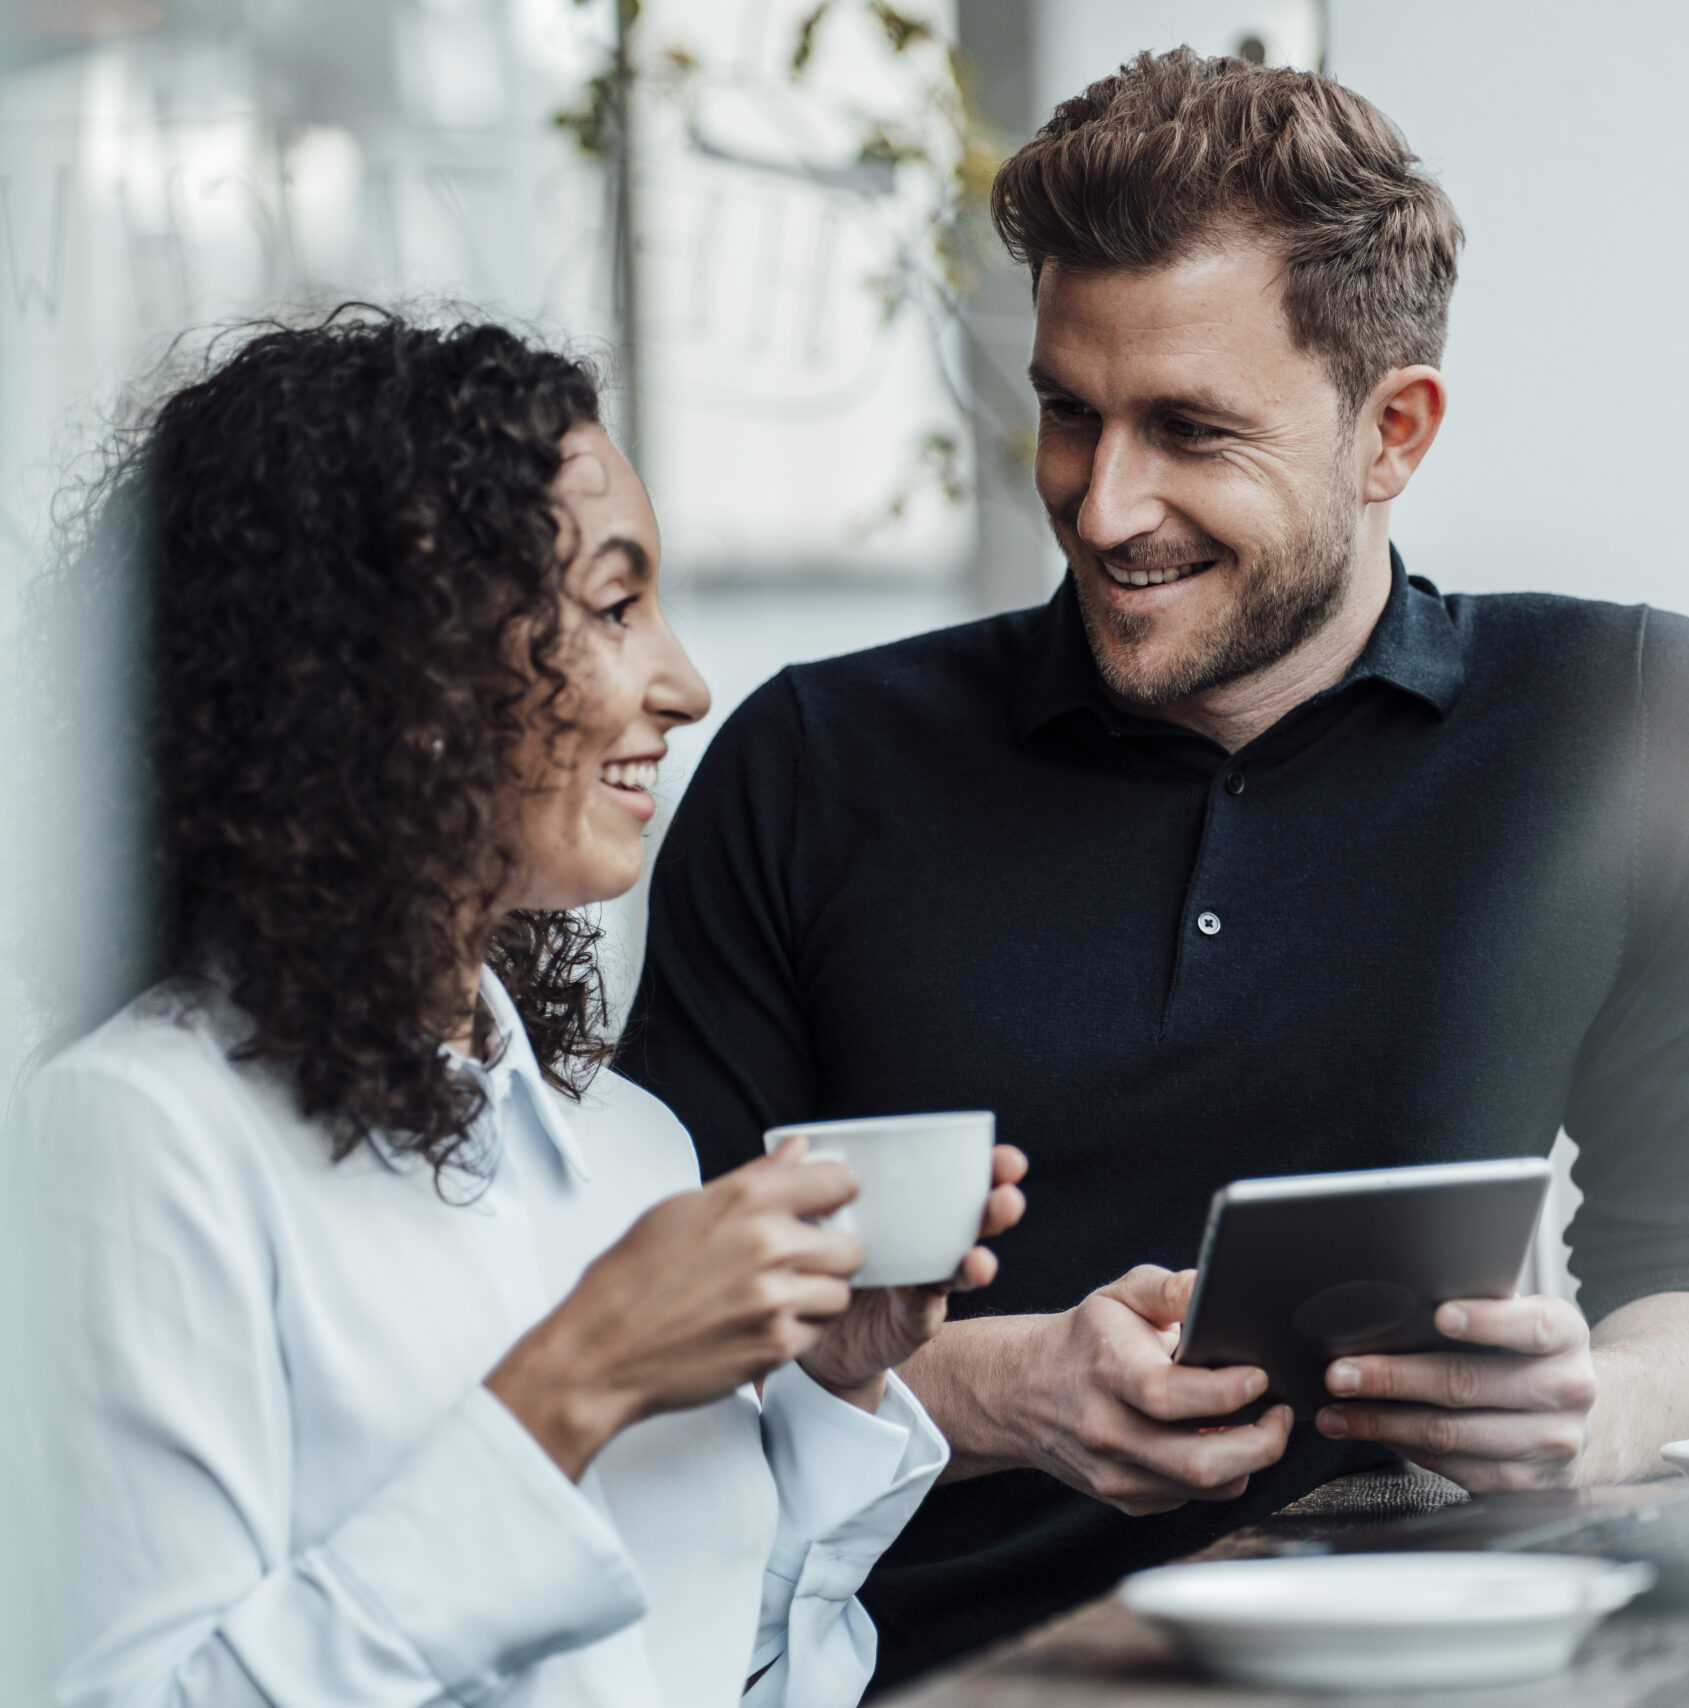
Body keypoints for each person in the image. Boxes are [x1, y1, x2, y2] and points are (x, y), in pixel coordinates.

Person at [620, 49, 1689, 1684]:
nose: (1106, 507)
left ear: (1392, 431)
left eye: (1189, 429)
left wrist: (1587, 1412)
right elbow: (648, 1355)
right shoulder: (815, 767)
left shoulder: (1628, 718)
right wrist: (992, 1394)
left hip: (1436, 1657)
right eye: (1067, 414)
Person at [0, 315, 1026, 1708]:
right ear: (399, 670)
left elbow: (724, 1672)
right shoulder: (135, 1139)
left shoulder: (635, 1150)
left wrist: (836, 1391)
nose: (684, 683)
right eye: (614, 608)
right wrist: (577, 1383)